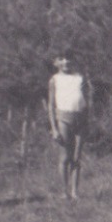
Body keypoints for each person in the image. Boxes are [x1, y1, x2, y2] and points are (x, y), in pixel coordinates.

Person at [46, 51, 90, 199]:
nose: (66, 62)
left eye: (68, 58)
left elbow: (86, 99)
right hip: (63, 119)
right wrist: (54, 128)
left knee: (77, 157)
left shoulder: (79, 78)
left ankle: (75, 191)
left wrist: (87, 119)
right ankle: (64, 191)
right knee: (65, 157)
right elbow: (51, 105)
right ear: (55, 62)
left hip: (80, 118)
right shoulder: (54, 80)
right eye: (61, 59)